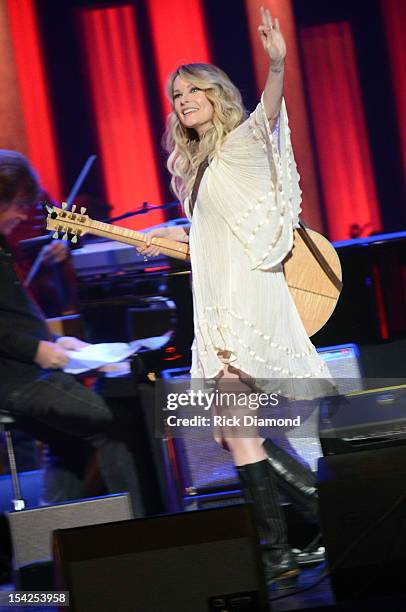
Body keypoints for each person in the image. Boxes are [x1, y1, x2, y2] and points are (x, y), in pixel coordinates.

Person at [141, 7, 334, 583]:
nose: (183, 99)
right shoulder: (194, 168)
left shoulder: (244, 143)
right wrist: (174, 236)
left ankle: (276, 557)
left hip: (246, 300)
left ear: (216, 95)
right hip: (218, 301)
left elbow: (270, 111)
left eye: (194, 89)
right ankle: (324, 522)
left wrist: (277, 63)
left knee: (237, 426)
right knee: (229, 432)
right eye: (176, 95)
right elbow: (215, 234)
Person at [0, 149, 143, 516]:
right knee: (115, 423)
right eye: (17, 205)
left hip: (25, 372)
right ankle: (142, 532)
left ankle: (50, 546)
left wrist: (53, 341)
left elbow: (13, 314)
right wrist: (37, 350)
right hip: (21, 379)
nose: (21, 215)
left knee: (70, 444)